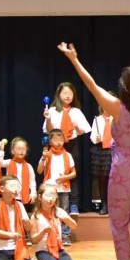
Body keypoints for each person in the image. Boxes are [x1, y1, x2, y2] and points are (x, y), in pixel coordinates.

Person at [57, 40, 130, 260]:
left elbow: (91, 85)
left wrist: (73, 59)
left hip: (124, 170)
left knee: (120, 224)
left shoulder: (118, 107)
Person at [43, 81, 91, 216]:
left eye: (70, 93)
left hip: (71, 144)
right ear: (58, 94)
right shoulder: (52, 111)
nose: (68, 96)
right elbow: (49, 131)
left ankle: (73, 204)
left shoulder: (76, 111)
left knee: (72, 173)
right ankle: (52, 201)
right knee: (53, 172)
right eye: (65, 93)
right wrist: (48, 119)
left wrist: (76, 125)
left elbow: (82, 131)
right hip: (55, 144)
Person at [37, 129, 77, 246]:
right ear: (50, 142)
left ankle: (65, 235)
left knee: (64, 210)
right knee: (48, 210)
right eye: (56, 140)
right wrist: (43, 158)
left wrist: (65, 177)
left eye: (61, 140)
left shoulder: (68, 155)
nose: (59, 142)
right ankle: (48, 233)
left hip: (63, 188)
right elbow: (39, 171)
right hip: (49, 188)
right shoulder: (47, 155)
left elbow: (74, 173)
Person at [0, 175, 34, 260]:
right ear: (2, 189)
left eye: (18, 187)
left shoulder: (20, 205)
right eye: (12, 186)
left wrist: (27, 225)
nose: (16, 189)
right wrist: (10, 235)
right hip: (2, 248)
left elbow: (28, 229)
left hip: (18, 246)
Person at [30, 184, 78, 260]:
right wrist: (44, 231)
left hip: (58, 249)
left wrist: (67, 219)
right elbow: (33, 240)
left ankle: (55, 259)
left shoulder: (59, 211)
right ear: (40, 197)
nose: (50, 199)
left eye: (53, 196)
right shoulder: (35, 216)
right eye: (47, 195)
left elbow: (74, 226)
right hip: (43, 250)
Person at [0, 136, 37, 213]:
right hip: (10, 196)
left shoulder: (29, 166)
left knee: (22, 215)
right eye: (19, 149)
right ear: (12, 151)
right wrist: (1, 150)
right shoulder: (9, 162)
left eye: (23, 149)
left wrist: (33, 194)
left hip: (23, 197)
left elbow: (32, 182)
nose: (21, 151)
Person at [90, 100, 114, 215]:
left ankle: (114, 204)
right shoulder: (97, 119)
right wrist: (97, 138)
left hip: (115, 150)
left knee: (115, 178)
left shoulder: (117, 119)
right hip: (101, 150)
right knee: (102, 178)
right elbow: (92, 136)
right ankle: (104, 204)